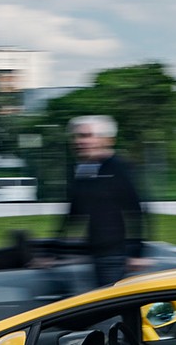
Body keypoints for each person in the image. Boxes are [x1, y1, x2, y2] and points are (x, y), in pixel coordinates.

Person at [57, 115, 150, 287]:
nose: (79, 141)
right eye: (77, 136)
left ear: (106, 140)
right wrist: (54, 251)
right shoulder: (83, 169)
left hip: (115, 256)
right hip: (92, 252)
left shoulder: (119, 167)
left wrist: (137, 253)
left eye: (87, 136)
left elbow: (136, 210)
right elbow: (73, 213)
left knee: (110, 309)